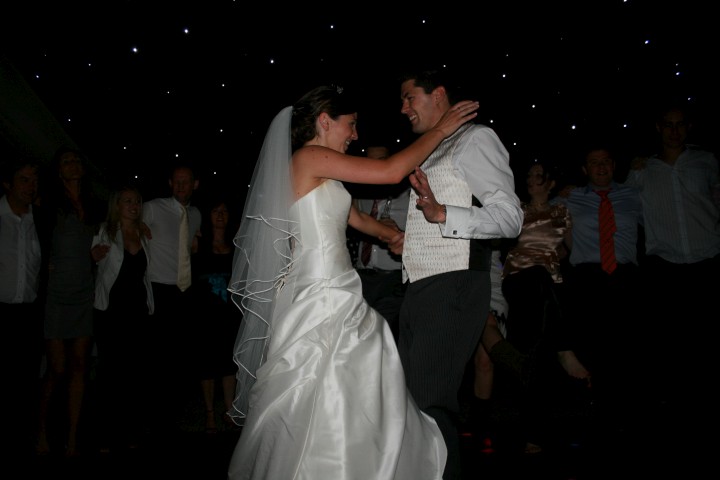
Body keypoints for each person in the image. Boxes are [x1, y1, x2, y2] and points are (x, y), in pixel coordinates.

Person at [227, 85, 479, 480]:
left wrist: (393, 235)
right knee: (334, 381)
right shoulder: (309, 157)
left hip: (335, 289)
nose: (355, 134)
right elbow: (389, 171)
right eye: (351, 124)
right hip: (322, 293)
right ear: (324, 121)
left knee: (345, 386)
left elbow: (354, 219)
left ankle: (353, 462)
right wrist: (441, 130)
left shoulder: (322, 173)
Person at [388, 69, 523, 479]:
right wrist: (412, 238)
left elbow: (510, 218)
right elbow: (434, 215)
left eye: (409, 97)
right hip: (421, 287)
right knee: (410, 402)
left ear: (439, 94)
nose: (403, 108)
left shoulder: (475, 138)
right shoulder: (430, 147)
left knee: (429, 405)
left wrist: (443, 213)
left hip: (455, 285)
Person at [624, 100, 720, 406]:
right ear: (658, 128)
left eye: (680, 124)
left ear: (688, 127)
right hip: (665, 264)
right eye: (668, 124)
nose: (674, 131)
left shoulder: (707, 161)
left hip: (708, 258)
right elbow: (620, 206)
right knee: (669, 342)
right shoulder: (642, 170)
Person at [500, 159, 589, 454]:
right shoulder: (517, 209)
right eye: (528, 175)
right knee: (537, 273)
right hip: (518, 281)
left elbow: (572, 249)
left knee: (536, 354)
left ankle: (533, 434)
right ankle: (565, 349)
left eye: (538, 175)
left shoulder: (561, 210)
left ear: (550, 183)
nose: (531, 179)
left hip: (549, 288)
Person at [555, 144, 643, 433]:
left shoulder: (634, 194)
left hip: (625, 276)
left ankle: (623, 414)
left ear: (614, 165)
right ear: (585, 169)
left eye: (606, 161)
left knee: (625, 348)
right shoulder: (571, 197)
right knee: (591, 348)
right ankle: (593, 416)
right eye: (594, 162)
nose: (601, 166)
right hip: (587, 278)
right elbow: (539, 212)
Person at [36, 146, 106, 457]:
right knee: (57, 368)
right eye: (67, 161)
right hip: (56, 294)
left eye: (77, 160)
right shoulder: (48, 203)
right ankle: (41, 430)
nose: (74, 165)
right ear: (58, 170)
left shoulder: (93, 205)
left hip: (84, 291)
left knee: (79, 366)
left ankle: (73, 436)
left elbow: (108, 234)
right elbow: (36, 240)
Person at [91, 185, 154, 452]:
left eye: (137, 201)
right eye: (127, 201)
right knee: (109, 373)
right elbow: (93, 259)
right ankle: (105, 433)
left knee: (134, 372)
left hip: (137, 312)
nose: (133, 205)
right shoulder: (104, 230)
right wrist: (93, 256)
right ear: (117, 205)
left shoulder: (145, 234)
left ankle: (131, 431)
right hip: (111, 312)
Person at [141, 163, 201, 434]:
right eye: (176, 181)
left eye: (185, 181)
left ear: (195, 185)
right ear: (170, 183)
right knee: (155, 356)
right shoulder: (153, 207)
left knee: (177, 356)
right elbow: (128, 226)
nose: (180, 186)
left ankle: (170, 417)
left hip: (183, 290)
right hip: (157, 287)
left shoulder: (195, 214)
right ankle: (151, 418)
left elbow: (190, 244)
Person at [0, 158, 49, 463]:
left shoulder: (39, 220)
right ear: (7, 183)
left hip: (28, 315)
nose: (31, 186)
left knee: (26, 384)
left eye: (34, 180)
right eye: (24, 180)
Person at [351, 143, 410, 341]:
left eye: (381, 161)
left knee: (378, 335)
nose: (374, 166)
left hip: (393, 279)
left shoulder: (408, 194)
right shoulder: (360, 193)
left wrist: (397, 232)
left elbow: (426, 235)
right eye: (369, 162)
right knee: (355, 334)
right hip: (361, 277)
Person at [191, 194, 239, 434]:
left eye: (224, 211)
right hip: (205, 315)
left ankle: (229, 409)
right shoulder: (197, 245)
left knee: (229, 364)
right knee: (207, 364)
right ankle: (209, 412)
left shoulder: (236, 247)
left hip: (229, 313)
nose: (220, 215)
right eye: (215, 211)